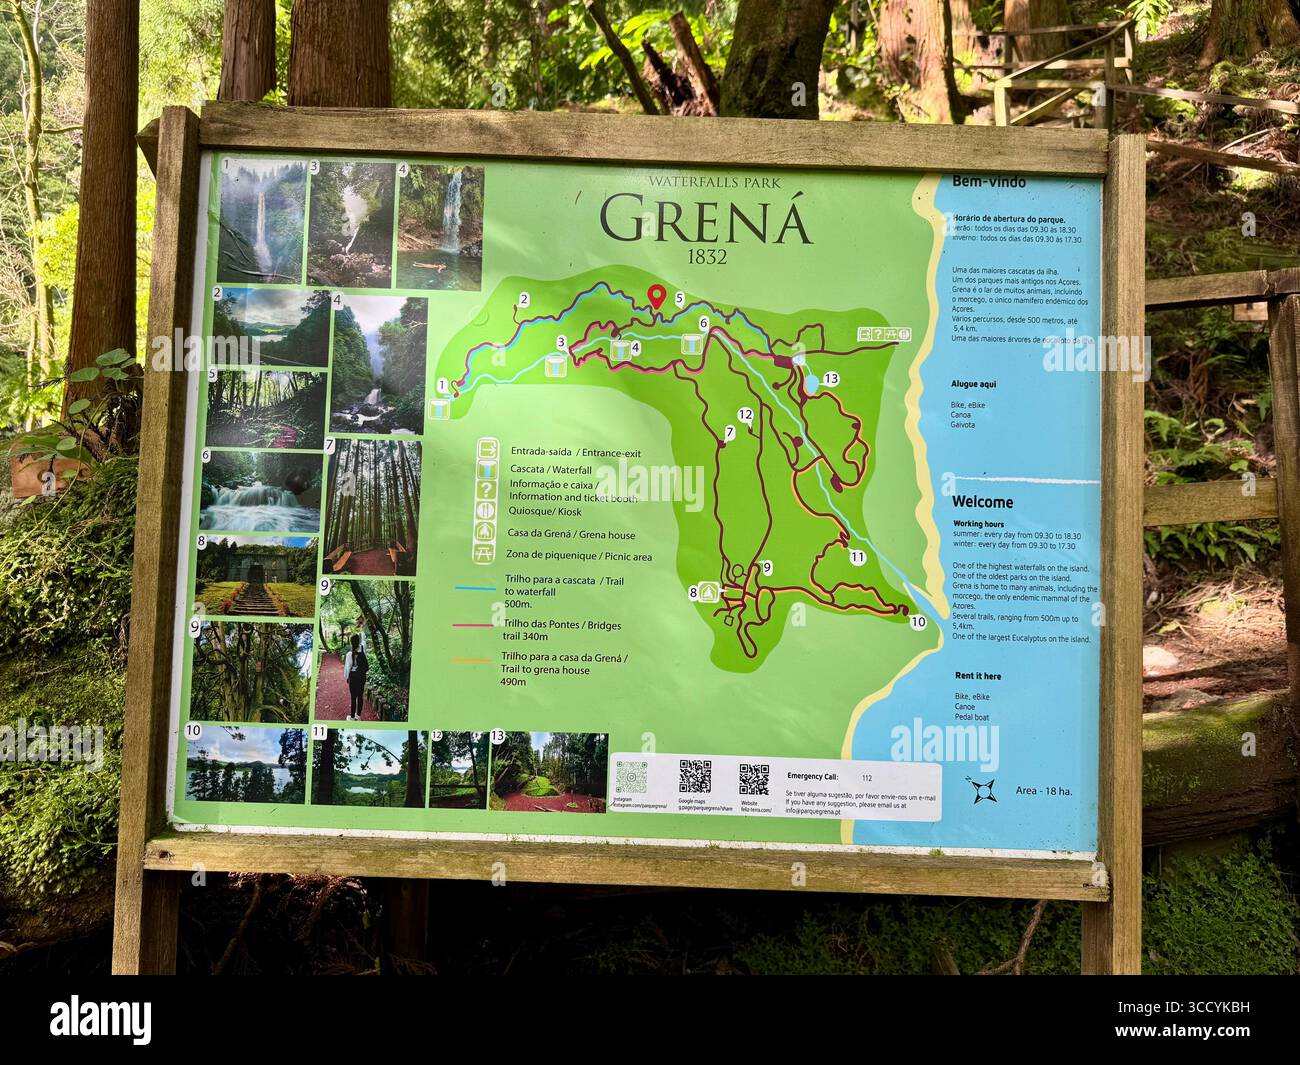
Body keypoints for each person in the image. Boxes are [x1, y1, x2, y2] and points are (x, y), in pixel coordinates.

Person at [343, 633, 369, 721]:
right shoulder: (363, 649)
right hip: (362, 677)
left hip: (353, 678)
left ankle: (352, 717)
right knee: (360, 696)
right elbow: (364, 639)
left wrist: (347, 678)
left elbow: (347, 668)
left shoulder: (349, 654)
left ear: (351, 643)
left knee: (353, 698)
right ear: (359, 642)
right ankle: (358, 716)